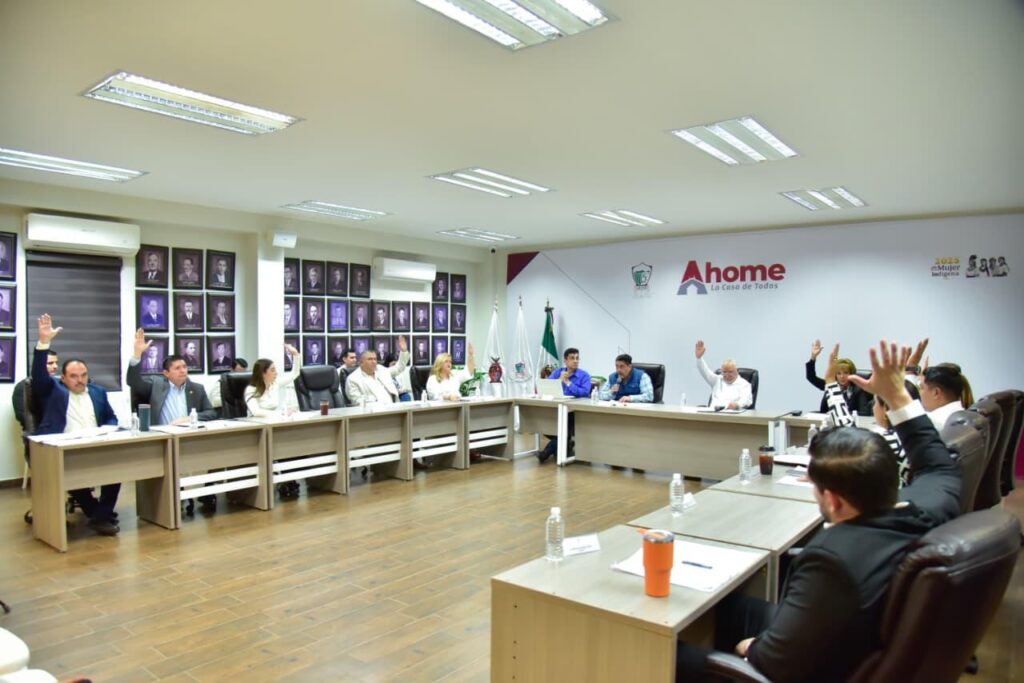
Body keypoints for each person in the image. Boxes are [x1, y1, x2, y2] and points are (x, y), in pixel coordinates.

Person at [676, 339, 961, 683]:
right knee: (726, 607)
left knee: (675, 655)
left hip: (818, 663)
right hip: (859, 634)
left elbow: (777, 663)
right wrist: (899, 397)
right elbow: (938, 467)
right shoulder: (929, 508)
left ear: (834, 500)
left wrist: (751, 647)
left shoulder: (830, 560)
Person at [32, 314, 121, 536]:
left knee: (117, 468)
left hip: (96, 443)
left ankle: (99, 515)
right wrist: (43, 343)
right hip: (63, 448)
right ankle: (99, 514)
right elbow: (39, 378)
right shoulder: (53, 391)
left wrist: (107, 429)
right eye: (73, 376)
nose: (80, 380)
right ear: (63, 378)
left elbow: (111, 418)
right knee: (71, 474)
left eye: (83, 375)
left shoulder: (98, 392)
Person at [127, 329, 216, 425]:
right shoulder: (155, 385)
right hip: (162, 432)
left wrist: (189, 418)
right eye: (177, 368)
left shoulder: (197, 389)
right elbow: (133, 382)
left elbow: (211, 413)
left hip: (189, 432)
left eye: (184, 367)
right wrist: (137, 355)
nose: (183, 371)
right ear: (166, 373)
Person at [537, 348, 592, 463]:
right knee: (545, 424)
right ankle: (567, 443)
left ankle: (546, 452)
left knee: (563, 428)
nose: (575, 361)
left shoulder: (584, 375)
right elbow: (546, 388)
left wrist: (568, 382)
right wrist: (559, 380)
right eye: (572, 358)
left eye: (577, 358)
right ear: (565, 361)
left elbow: (585, 393)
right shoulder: (558, 372)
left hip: (575, 412)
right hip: (556, 409)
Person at [805, 339, 873, 415]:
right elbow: (811, 377)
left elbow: (863, 413)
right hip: (827, 420)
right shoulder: (831, 386)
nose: (842, 376)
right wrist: (813, 357)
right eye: (839, 373)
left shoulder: (858, 390)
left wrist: (841, 413)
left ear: (851, 373)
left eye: (846, 373)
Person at [345, 336, 410, 404]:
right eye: (370, 359)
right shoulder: (352, 379)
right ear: (361, 362)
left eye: (375, 359)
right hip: (373, 409)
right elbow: (357, 401)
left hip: (393, 407)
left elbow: (398, 368)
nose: (373, 362)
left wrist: (404, 351)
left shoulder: (381, 369)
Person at [244, 344, 301, 416]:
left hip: (274, 420)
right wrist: (281, 413)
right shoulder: (251, 389)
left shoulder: (275, 383)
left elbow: (294, 374)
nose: (276, 373)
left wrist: (295, 354)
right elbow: (256, 412)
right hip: (256, 422)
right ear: (262, 373)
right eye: (272, 370)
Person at [694, 340, 751, 409]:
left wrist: (736, 405)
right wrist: (699, 358)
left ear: (737, 371)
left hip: (731, 414)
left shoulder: (744, 384)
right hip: (712, 413)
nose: (727, 375)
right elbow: (704, 371)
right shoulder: (717, 380)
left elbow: (746, 400)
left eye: (730, 372)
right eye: (724, 372)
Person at [918, 362, 974, 430]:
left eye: (921, 388)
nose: (918, 393)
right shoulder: (968, 418)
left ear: (936, 393)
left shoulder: (931, 423)